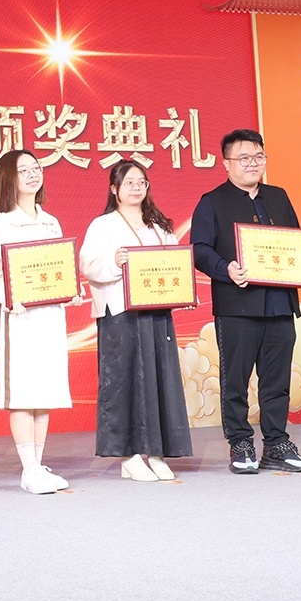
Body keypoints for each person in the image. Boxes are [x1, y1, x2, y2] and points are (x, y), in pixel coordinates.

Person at [191, 128, 301, 473]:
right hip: (237, 305)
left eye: (258, 156)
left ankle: (276, 444)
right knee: (236, 379)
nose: (252, 163)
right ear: (226, 162)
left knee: (277, 380)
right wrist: (225, 268)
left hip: (279, 304)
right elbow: (199, 249)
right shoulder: (212, 201)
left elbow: (294, 242)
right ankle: (240, 443)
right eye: (244, 158)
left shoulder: (278, 196)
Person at [79, 159, 192, 482]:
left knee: (160, 380)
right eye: (128, 182)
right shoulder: (103, 225)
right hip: (120, 314)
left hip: (156, 312)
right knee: (124, 382)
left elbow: (174, 264)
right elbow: (88, 265)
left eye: (141, 182)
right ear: (114, 189)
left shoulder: (159, 226)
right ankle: (129, 455)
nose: (136, 188)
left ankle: (156, 452)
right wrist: (115, 262)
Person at [0, 149, 80, 494]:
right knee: (24, 394)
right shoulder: (0, 223)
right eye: (24, 170)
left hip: (50, 316)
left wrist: (71, 290)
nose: (33, 174)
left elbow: (59, 266)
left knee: (44, 391)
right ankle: (29, 468)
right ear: (9, 178)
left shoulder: (51, 221)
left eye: (36, 168)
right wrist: (8, 299)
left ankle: (37, 466)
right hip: (19, 317)